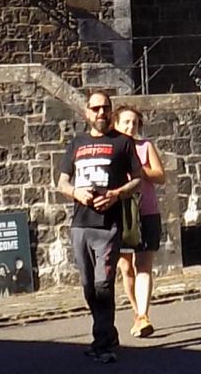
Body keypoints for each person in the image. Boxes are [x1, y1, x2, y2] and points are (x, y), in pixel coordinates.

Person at [56, 90, 143, 363]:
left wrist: (117, 194)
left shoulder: (123, 143)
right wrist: (76, 194)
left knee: (103, 283)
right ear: (87, 114)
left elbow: (138, 179)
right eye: (95, 109)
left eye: (105, 108)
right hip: (80, 224)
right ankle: (108, 331)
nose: (101, 113)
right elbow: (61, 182)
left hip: (108, 225)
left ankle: (102, 342)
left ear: (111, 111)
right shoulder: (77, 144)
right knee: (88, 286)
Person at [114, 106, 167, 337]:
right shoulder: (112, 149)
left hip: (146, 212)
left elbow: (161, 176)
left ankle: (144, 315)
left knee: (144, 265)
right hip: (120, 214)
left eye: (134, 123)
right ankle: (137, 312)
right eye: (126, 122)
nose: (130, 126)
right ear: (116, 124)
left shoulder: (145, 147)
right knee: (125, 267)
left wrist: (140, 170)